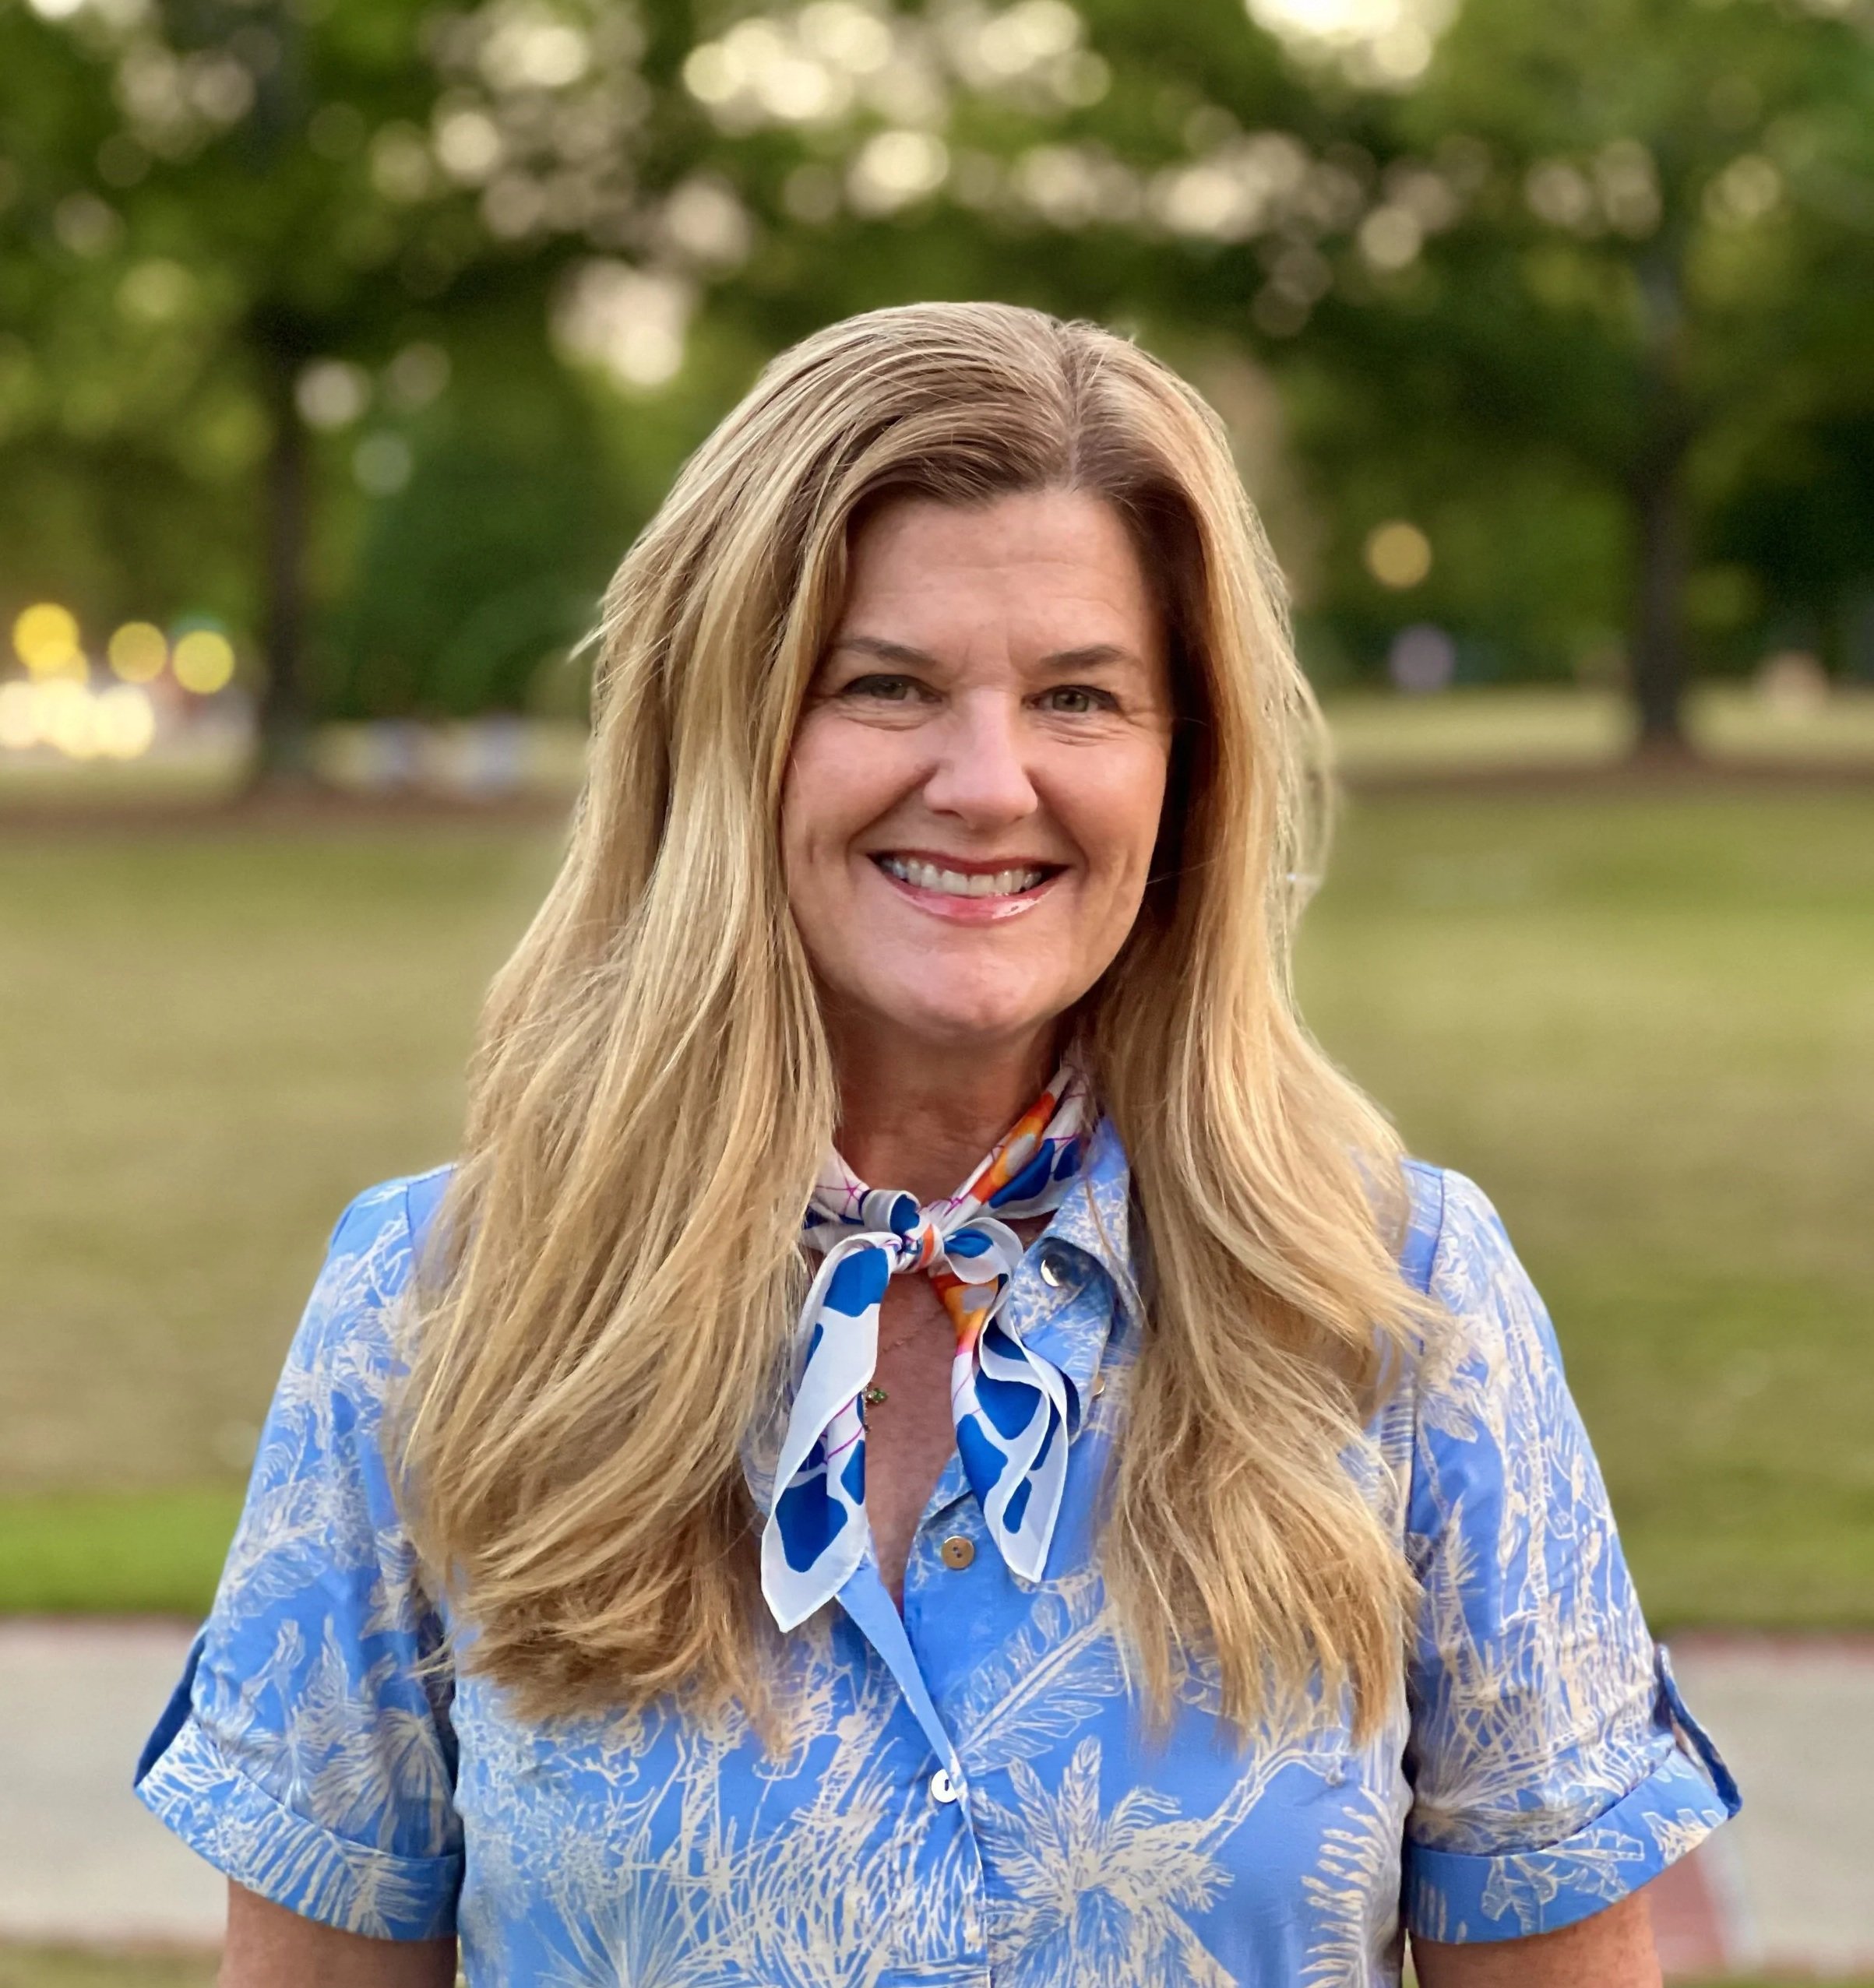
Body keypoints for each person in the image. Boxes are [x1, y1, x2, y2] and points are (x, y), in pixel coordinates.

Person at [136, 303, 1737, 1986]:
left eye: (1080, 696)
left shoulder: (1405, 1303)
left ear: (1186, 770)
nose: (988, 782)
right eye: (885, 684)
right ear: (724, 737)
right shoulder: (434, 1305)